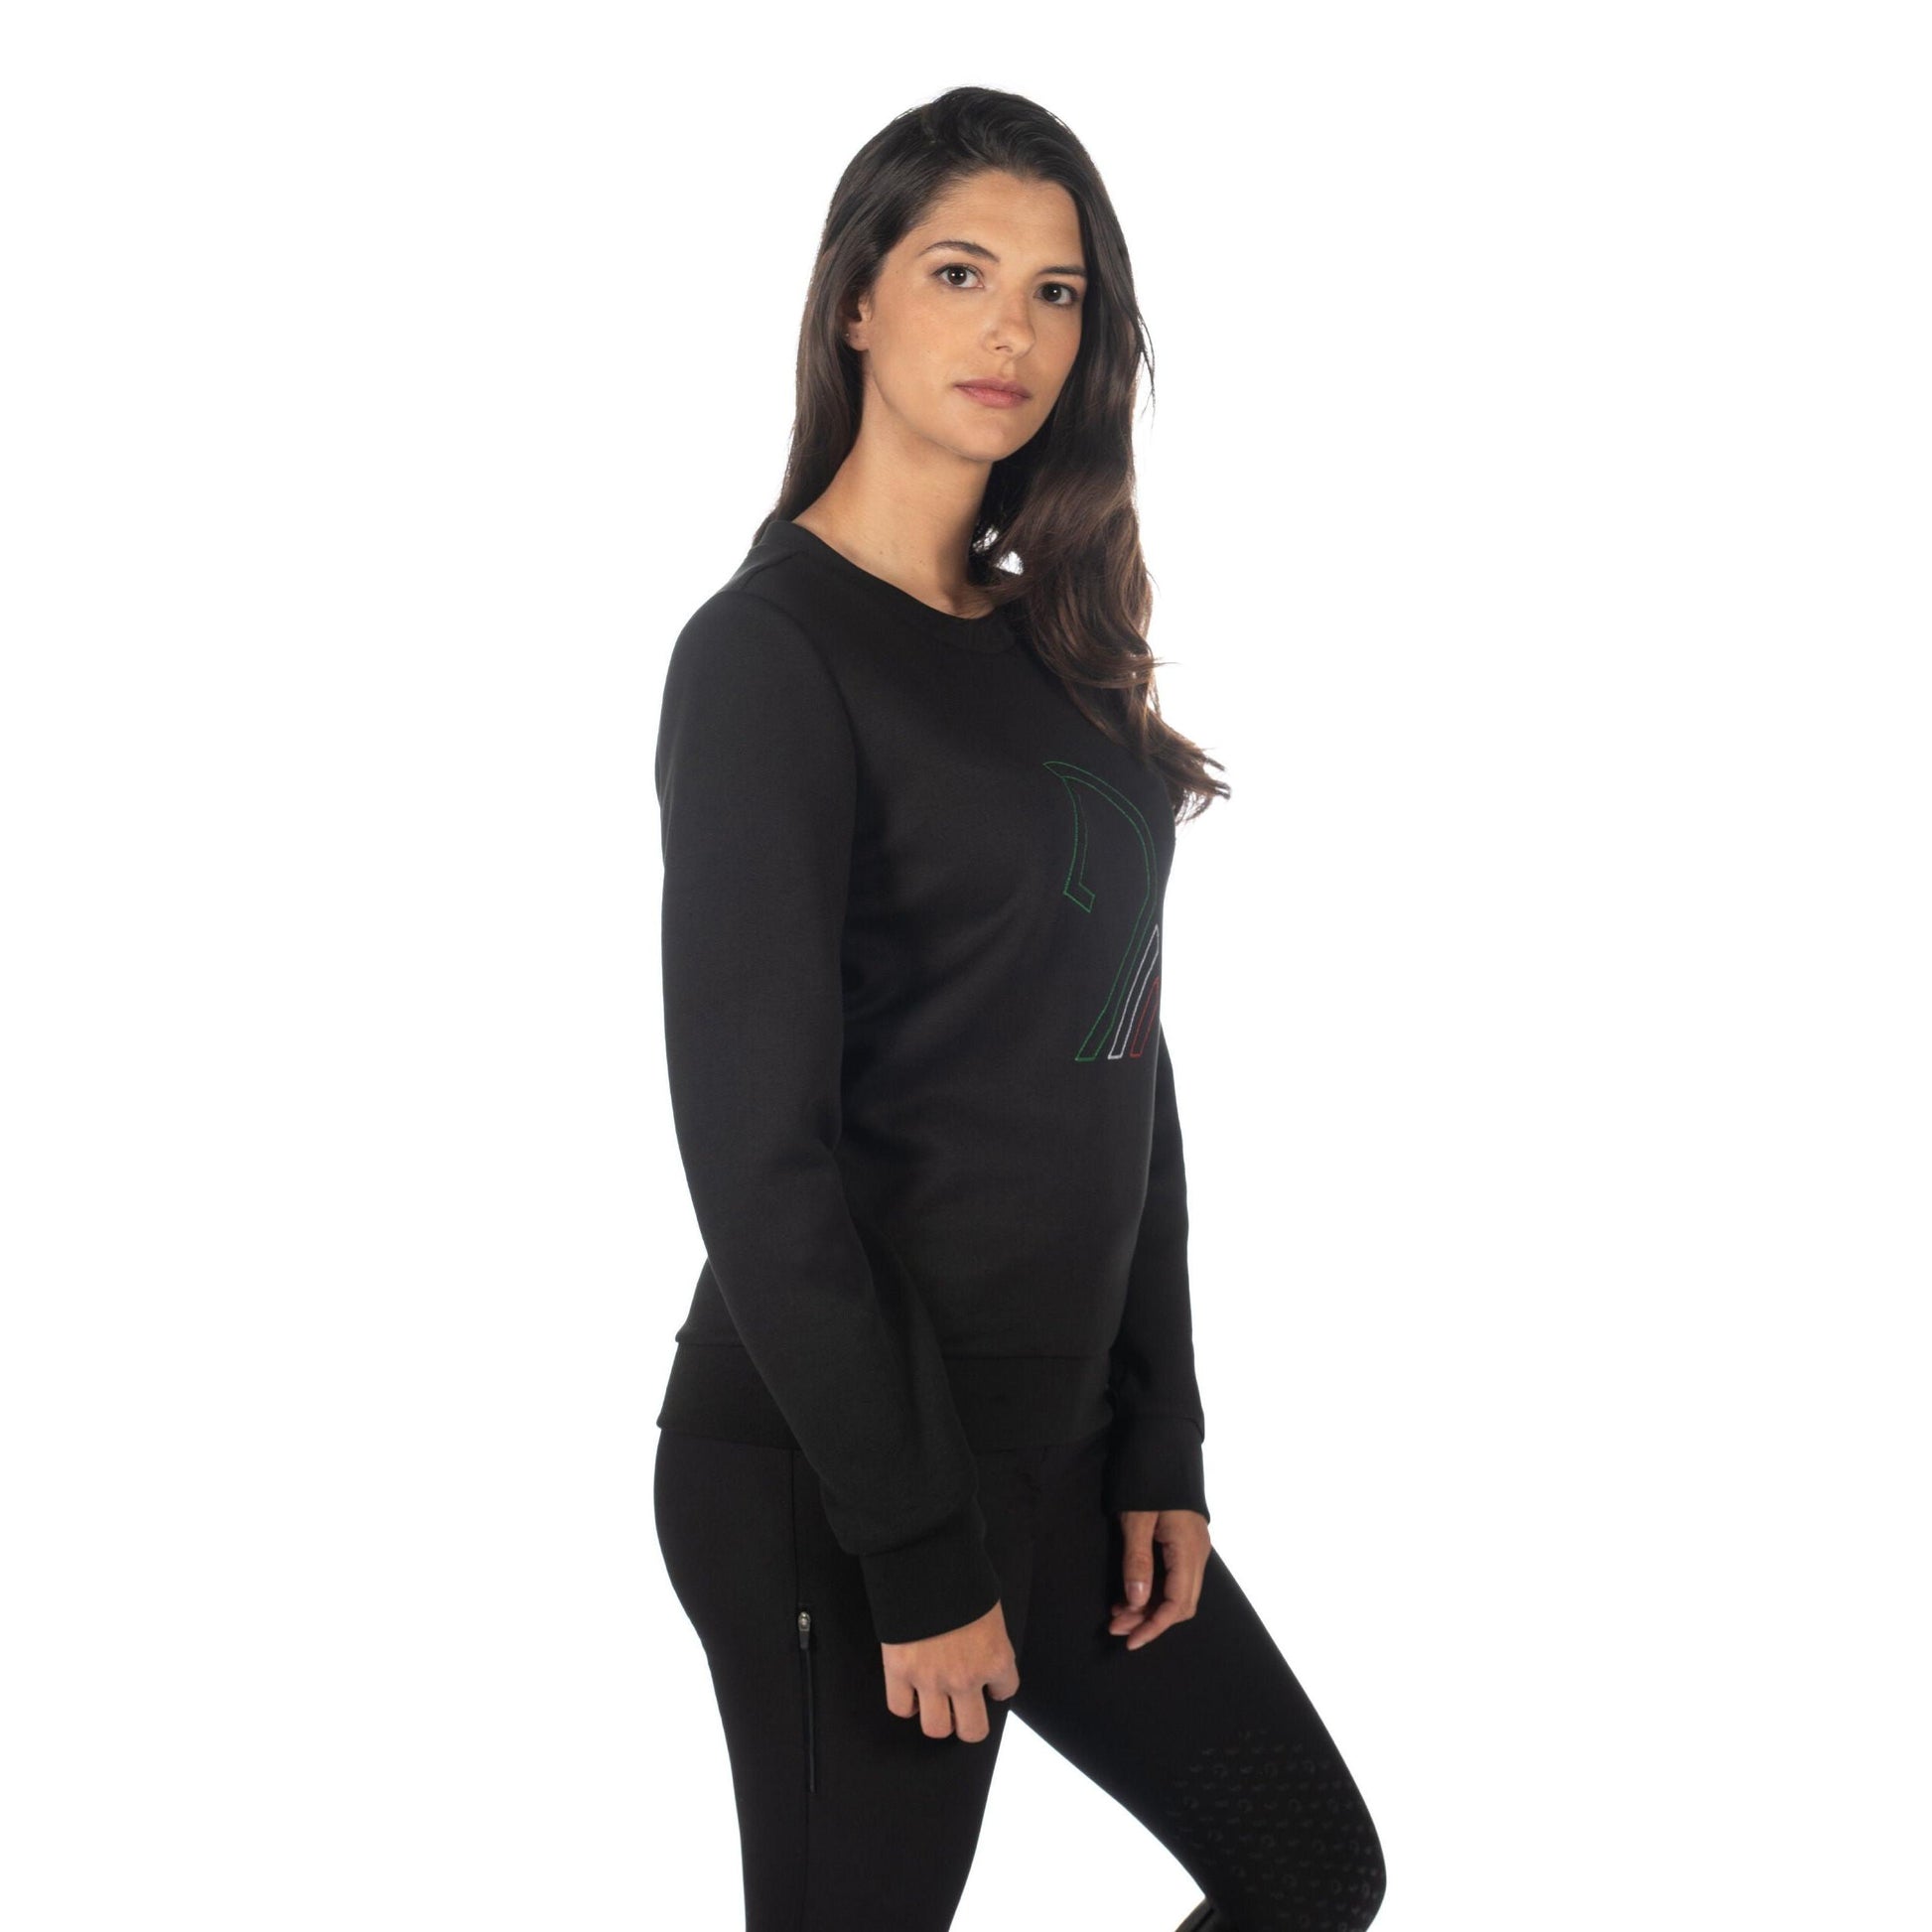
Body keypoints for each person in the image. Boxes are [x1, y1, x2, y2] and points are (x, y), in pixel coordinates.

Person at [650, 86, 1387, 1932]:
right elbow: (756, 1155)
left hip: (1058, 1446)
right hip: (839, 1458)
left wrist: (1159, 1436)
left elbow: (1120, 1053)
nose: (1012, 332)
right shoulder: (768, 656)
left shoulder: (1054, 651)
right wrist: (913, 1545)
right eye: (959, 273)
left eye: (1058, 293)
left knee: (1305, 1872)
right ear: (855, 302)